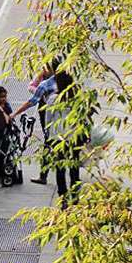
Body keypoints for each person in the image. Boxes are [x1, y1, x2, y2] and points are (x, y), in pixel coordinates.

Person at [44, 70, 85, 208]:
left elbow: (48, 118)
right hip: (74, 135)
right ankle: (75, 196)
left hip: (58, 136)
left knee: (60, 168)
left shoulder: (53, 98)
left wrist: (48, 135)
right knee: (74, 168)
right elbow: (83, 116)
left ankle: (63, 197)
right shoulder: (77, 97)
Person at [11, 63, 57, 184]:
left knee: (49, 141)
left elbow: (31, 102)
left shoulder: (45, 84)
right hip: (65, 117)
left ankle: (43, 176)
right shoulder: (68, 80)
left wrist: (15, 113)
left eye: (44, 68)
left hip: (50, 115)